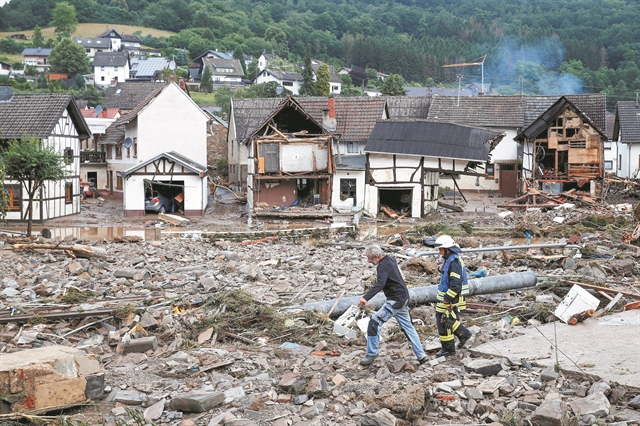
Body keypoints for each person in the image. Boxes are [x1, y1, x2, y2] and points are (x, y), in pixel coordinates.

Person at [358, 245, 428, 366]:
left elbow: (380, 283)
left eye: (369, 258)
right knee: (408, 328)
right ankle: (421, 356)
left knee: (374, 323)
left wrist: (365, 297)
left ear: (376, 257)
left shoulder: (382, 266)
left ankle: (371, 354)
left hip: (395, 301)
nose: (369, 261)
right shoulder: (390, 259)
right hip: (404, 298)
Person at [434, 235, 475, 357]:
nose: (439, 251)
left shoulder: (454, 263)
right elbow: (448, 275)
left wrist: (447, 298)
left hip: (450, 298)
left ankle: (461, 338)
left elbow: (455, 284)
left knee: (446, 321)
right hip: (448, 298)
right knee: (445, 320)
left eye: (441, 249)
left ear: (448, 249)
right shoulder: (451, 260)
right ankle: (451, 345)